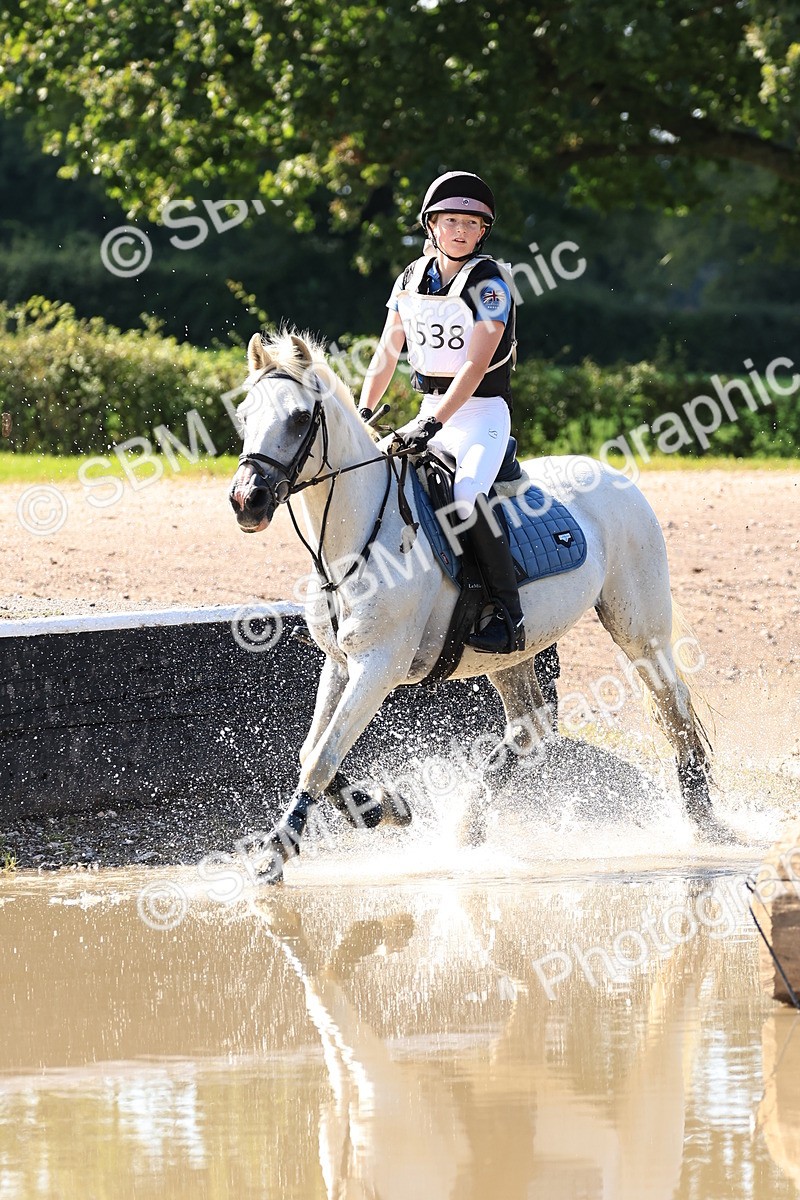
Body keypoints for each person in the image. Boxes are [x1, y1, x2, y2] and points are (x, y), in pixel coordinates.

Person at [359, 169, 524, 653]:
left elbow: (475, 364)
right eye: (449, 220)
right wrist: (364, 411)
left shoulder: (490, 284)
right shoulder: (410, 278)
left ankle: (508, 613)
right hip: (431, 408)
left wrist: (433, 422)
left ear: (482, 231)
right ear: (430, 225)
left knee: (468, 494)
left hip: (480, 413)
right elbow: (387, 352)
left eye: (470, 223)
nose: (458, 230)